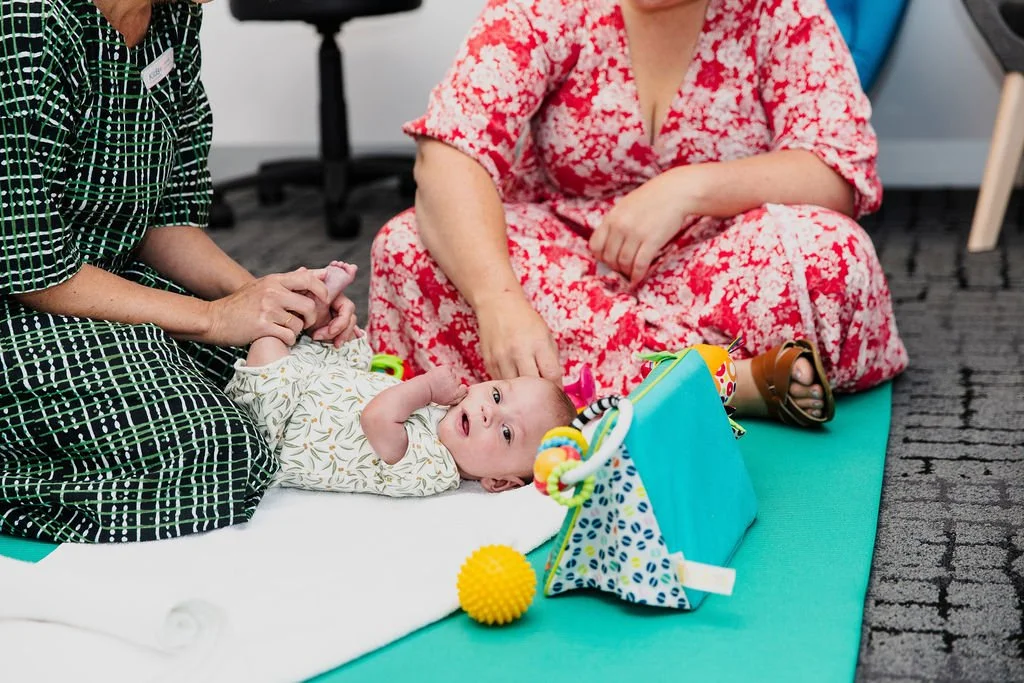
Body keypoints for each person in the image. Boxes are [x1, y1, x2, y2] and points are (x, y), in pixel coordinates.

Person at [367, 0, 909, 429]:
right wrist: (498, 300)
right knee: (409, 245)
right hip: (566, 259)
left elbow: (838, 169)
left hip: (715, 256)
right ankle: (727, 382)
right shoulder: (545, 6)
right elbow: (449, 152)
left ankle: (569, 395)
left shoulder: (781, 10)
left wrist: (689, 188)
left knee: (831, 254)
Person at [0, 0, 356, 543]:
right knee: (217, 454)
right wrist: (213, 318)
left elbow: (163, 217)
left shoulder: (173, 16)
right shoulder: (29, 21)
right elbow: (35, 267)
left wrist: (273, 298)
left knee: (302, 376)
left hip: (105, 287)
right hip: (22, 302)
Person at [226, 263, 578, 497]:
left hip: (281, 426)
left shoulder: (435, 470)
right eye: (498, 396)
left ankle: (298, 311)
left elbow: (376, 419)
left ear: (497, 481)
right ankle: (318, 308)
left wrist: (424, 387)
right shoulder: (450, 411)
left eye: (506, 433)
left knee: (272, 340)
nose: (489, 413)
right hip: (325, 387)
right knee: (345, 342)